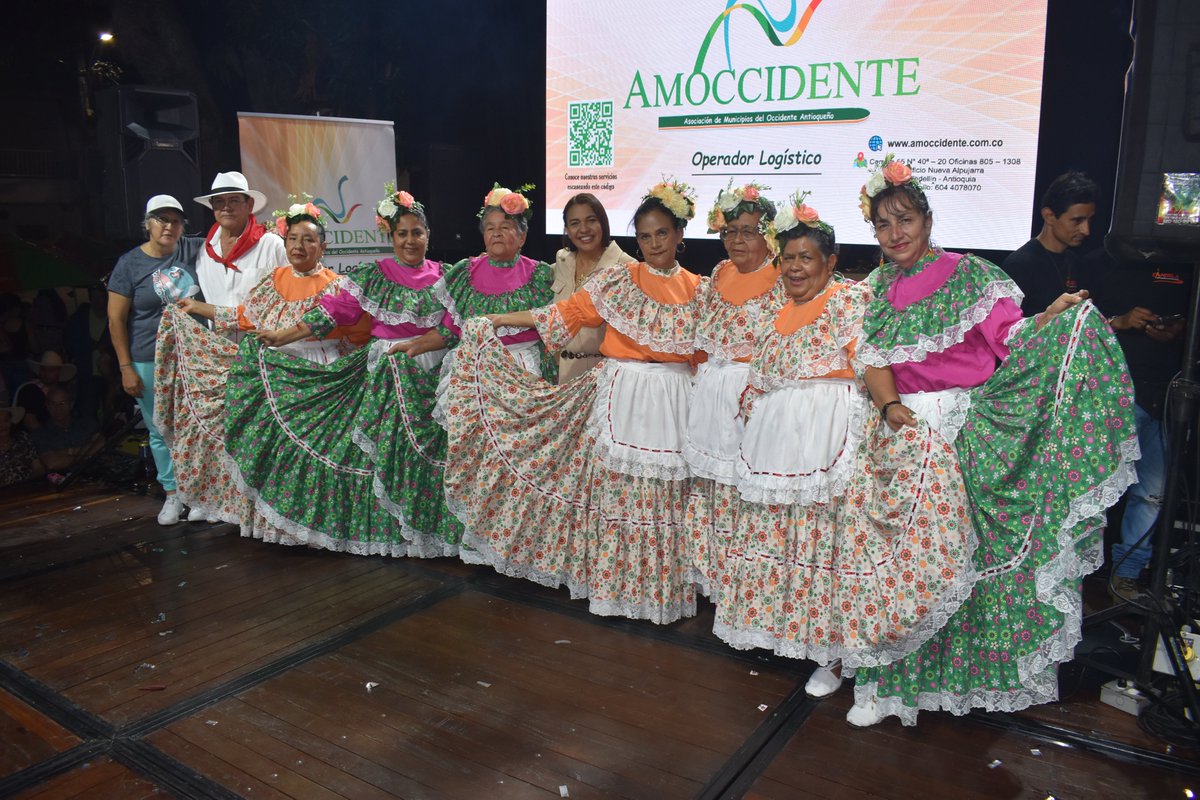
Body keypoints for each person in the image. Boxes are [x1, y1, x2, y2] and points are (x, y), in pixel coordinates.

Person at [846, 155, 1138, 727]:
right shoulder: (872, 289)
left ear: (927, 220)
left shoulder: (972, 276)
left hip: (962, 439)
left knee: (957, 566)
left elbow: (1015, 341)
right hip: (898, 441)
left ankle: (947, 679)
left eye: (905, 219)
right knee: (894, 567)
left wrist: (1051, 317)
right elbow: (871, 359)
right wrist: (890, 407)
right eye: (884, 224)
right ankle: (884, 682)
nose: (896, 234)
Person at [710, 195, 975, 693]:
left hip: (827, 441)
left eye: (805, 258)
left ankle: (831, 656)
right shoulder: (777, 314)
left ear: (830, 263)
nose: (794, 267)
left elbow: (872, 358)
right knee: (780, 540)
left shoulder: (850, 301)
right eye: (787, 258)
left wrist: (890, 406)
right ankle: (785, 632)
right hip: (776, 449)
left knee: (825, 549)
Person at [441, 178, 706, 623]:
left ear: (680, 236)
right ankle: (620, 587)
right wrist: (498, 318)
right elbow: (565, 314)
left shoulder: (701, 289)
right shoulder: (620, 281)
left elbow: (707, 354)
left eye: (663, 233)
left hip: (676, 397)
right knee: (621, 496)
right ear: (636, 240)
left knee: (670, 498)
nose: (654, 243)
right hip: (623, 392)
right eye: (645, 235)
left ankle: (665, 591)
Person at [244, 187, 461, 556]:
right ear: (390, 237)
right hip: (385, 371)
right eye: (402, 233)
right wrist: (281, 336)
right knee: (380, 451)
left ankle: (433, 533)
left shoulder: (448, 276)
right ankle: (391, 533)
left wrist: (419, 346)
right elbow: (331, 313)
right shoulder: (373, 275)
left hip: (434, 371)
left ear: (428, 236)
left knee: (434, 450)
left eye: (417, 233)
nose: (410, 240)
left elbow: (455, 328)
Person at [156, 198, 369, 526]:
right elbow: (244, 316)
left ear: (323, 246)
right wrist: (198, 308)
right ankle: (279, 520)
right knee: (277, 450)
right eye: (293, 239)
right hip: (275, 374)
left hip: (319, 373)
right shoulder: (276, 278)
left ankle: (317, 519)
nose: (299, 246)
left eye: (309, 240)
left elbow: (359, 332)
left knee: (315, 450)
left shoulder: (337, 286)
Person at [685, 180, 784, 595]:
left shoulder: (783, 276)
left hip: (754, 400)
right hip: (711, 398)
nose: (737, 240)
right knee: (712, 493)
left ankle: (748, 589)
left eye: (749, 230)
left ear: (769, 235)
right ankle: (716, 583)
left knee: (749, 496)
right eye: (730, 231)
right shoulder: (719, 273)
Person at [1088, 251, 1193, 602]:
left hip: (1166, 396)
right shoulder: (1111, 261)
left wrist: (1181, 329)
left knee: (1151, 494)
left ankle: (1127, 577)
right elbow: (1081, 321)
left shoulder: (1188, 268)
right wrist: (1122, 319)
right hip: (1117, 393)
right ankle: (1077, 572)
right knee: (1094, 490)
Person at [107, 195, 203, 525]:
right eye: (161, 219)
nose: (168, 226)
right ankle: (173, 495)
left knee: (197, 426)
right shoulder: (129, 265)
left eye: (175, 221)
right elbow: (115, 320)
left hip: (192, 356)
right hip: (148, 358)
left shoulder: (191, 249)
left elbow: (230, 239)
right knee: (160, 430)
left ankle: (200, 494)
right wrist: (125, 367)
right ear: (147, 223)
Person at [438, 183, 556, 380]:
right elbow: (449, 330)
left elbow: (552, 324)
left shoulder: (540, 274)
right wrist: (412, 346)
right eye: (490, 228)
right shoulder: (465, 272)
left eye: (505, 227)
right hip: (475, 367)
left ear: (522, 237)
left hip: (524, 366)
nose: (496, 233)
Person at [551, 193, 636, 383]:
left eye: (591, 220)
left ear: (603, 223)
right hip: (559, 378)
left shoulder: (626, 267)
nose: (583, 229)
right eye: (574, 223)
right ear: (567, 229)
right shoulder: (562, 261)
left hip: (603, 378)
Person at [192, 171, 288, 337]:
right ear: (213, 207)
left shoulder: (271, 245)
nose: (226, 207)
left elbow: (293, 295)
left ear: (249, 205)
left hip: (262, 350)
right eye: (219, 202)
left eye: (234, 200)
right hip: (220, 350)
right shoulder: (204, 253)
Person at [1001, 171, 1099, 316]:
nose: (1086, 230)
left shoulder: (1074, 261)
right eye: (1077, 221)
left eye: (1089, 220)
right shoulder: (1020, 264)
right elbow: (1006, 328)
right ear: (1049, 216)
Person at [31, 385, 102, 474]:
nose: (58, 408)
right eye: (53, 404)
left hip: (96, 474)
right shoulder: (41, 434)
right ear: (47, 406)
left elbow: (101, 445)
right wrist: (88, 452)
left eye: (62, 403)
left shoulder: (87, 423)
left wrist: (67, 452)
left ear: (71, 404)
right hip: (63, 483)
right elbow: (52, 463)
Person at [13, 351, 77, 429]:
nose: (46, 374)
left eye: (51, 370)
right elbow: (29, 421)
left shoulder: (63, 392)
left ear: (59, 372)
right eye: (43, 370)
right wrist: (48, 437)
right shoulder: (30, 390)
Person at [0, 403, 43, 487]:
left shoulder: (23, 437)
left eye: (6, 420)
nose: (2, 425)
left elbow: (38, 467)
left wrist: (38, 484)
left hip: (28, 490)